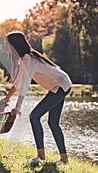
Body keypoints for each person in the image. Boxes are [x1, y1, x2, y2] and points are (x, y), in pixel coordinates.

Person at [4, 31, 72, 164]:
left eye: (7, 44)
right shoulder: (26, 58)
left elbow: (24, 84)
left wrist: (17, 107)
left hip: (60, 86)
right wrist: (7, 98)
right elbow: (18, 82)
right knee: (53, 123)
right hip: (60, 85)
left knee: (34, 116)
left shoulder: (28, 58)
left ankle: (41, 157)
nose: (6, 47)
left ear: (14, 45)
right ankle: (64, 159)